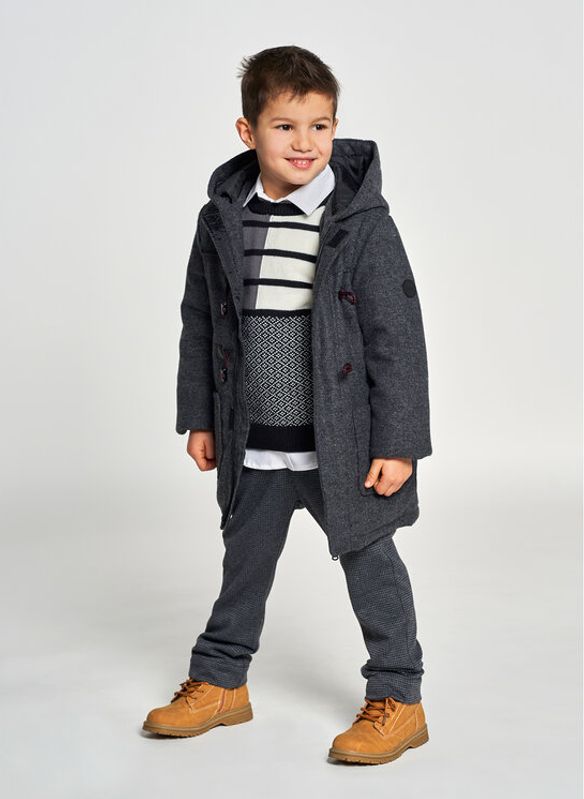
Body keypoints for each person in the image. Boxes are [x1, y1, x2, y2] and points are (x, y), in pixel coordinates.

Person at [142, 45, 433, 766]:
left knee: (371, 564)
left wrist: (398, 442)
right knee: (243, 565)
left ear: (335, 127)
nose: (305, 143)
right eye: (285, 126)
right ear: (248, 132)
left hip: (344, 446)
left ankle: (399, 695)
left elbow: (397, 336)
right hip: (254, 441)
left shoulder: (362, 222)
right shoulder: (221, 220)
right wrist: (200, 416)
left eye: (320, 126)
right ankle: (221, 681)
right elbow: (201, 321)